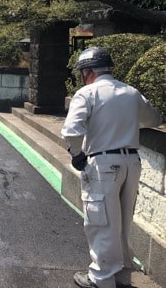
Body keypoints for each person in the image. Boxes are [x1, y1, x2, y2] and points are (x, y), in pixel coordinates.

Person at [61, 47, 162, 288]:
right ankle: (122, 275)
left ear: (88, 71)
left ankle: (101, 278)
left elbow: (71, 131)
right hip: (132, 163)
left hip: (103, 164)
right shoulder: (131, 92)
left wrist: (76, 154)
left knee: (102, 223)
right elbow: (154, 119)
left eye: (82, 72)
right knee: (123, 222)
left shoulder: (87, 93)